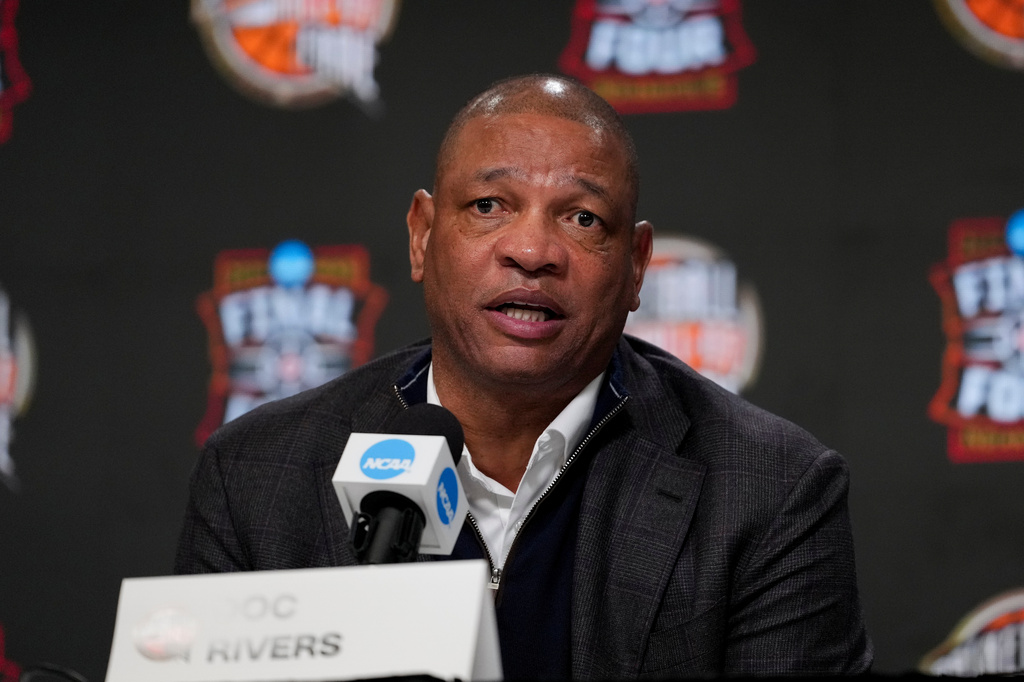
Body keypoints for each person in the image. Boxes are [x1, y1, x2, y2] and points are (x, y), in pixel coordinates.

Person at [175, 73, 873, 678]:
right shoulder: (258, 477)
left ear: (635, 266)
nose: (533, 250)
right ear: (421, 234)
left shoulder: (767, 490)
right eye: (489, 206)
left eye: (582, 218)